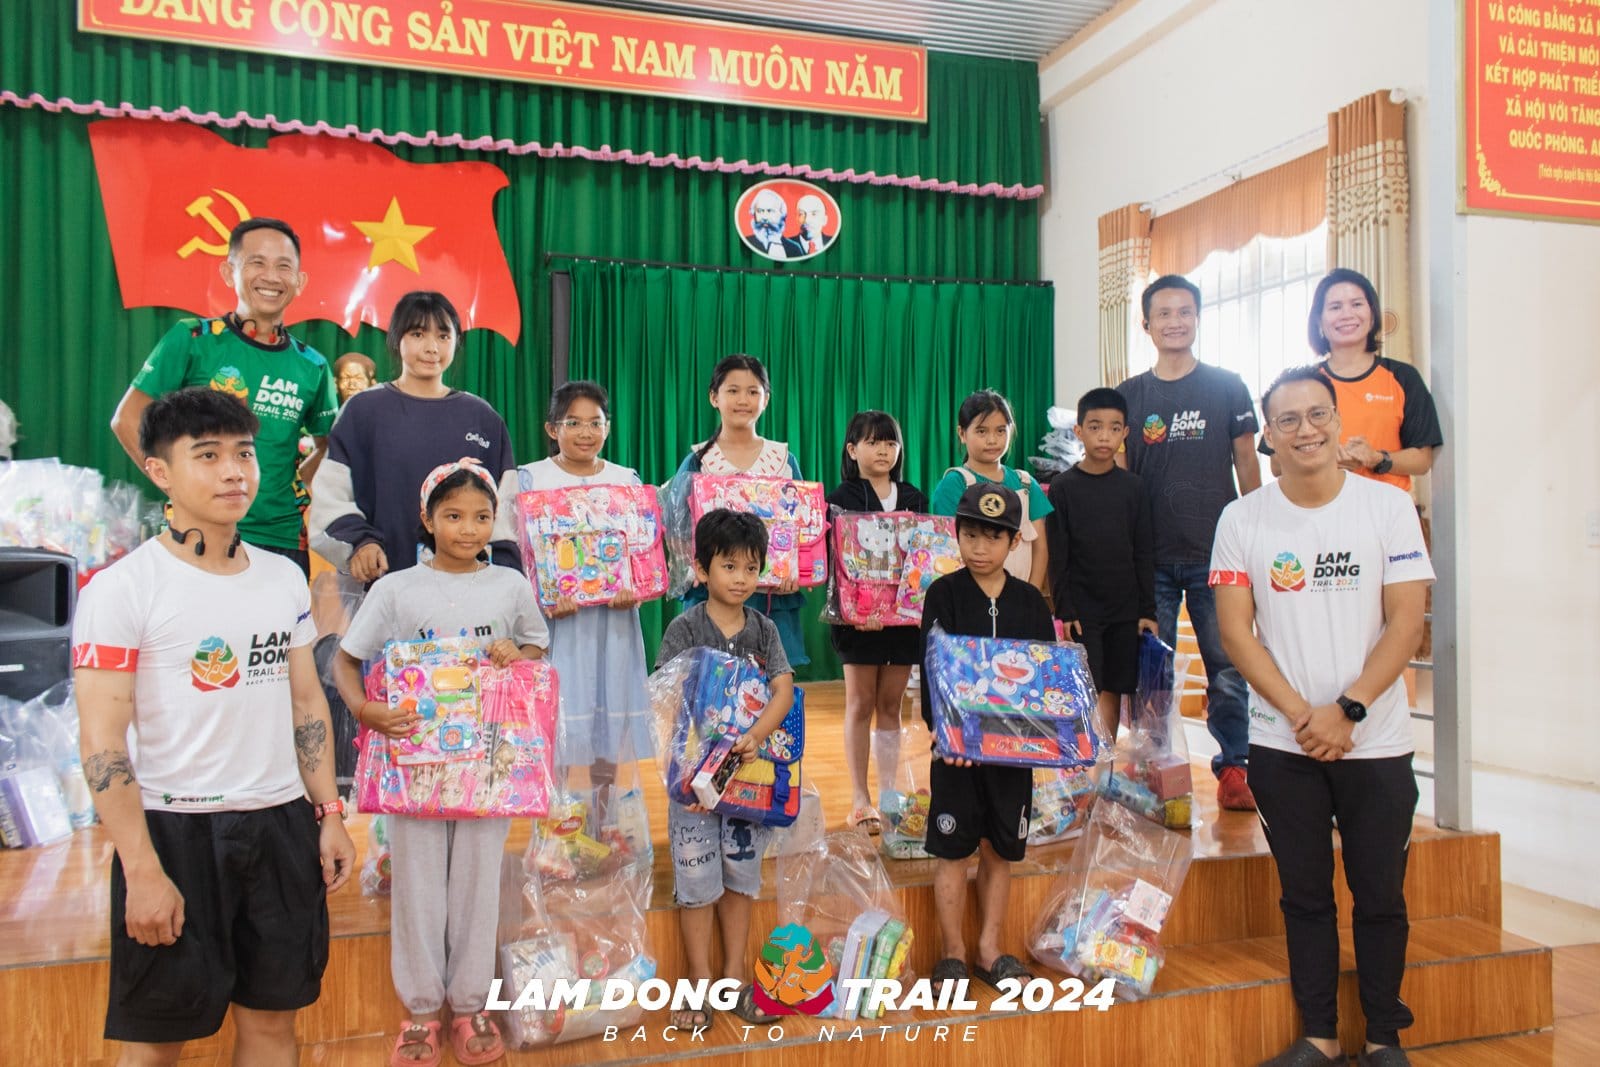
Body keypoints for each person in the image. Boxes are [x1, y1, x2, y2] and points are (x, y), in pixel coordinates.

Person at [72, 387, 355, 1065]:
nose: (233, 471)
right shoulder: (121, 588)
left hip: (280, 825)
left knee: (272, 1026)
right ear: (159, 470)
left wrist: (328, 813)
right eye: (207, 455)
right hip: (176, 831)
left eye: (244, 453)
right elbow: (102, 744)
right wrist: (142, 869)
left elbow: (306, 704)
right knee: (155, 1042)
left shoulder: (283, 578)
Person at [1211, 366, 1432, 1067]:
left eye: (1317, 414)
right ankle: (1320, 1035)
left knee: (1380, 896)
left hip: (1377, 742)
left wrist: (1349, 709)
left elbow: (1407, 621)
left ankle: (1384, 1037)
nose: (1305, 429)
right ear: (1269, 436)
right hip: (1285, 743)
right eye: (1288, 419)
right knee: (1304, 896)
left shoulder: (1387, 508)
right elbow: (1236, 632)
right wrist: (1305, 715)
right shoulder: (1242, 519)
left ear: (1337, 421)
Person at [333, 459, 549, 1067]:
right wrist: (366, 710)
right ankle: (423, 1011)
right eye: (453, 516)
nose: (468, 529)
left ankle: (472, 1003)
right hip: (416, 767)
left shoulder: (510, 586)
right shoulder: (396, 589)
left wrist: (516, 653)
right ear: (427, 519)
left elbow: (536, 645)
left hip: (488, 766)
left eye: (481, 517)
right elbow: (346, 660)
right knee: (419, 886)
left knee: (479, 883)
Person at [110, 217, 339, 577]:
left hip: (281, 538)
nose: (271, 277)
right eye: (257, 263)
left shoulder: (313, 366)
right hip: (198, 534)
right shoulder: (193, 339)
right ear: (228, 272)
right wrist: (179, 487)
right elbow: (127, 418)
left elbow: (330, 447)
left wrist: (291, 488)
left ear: (300, 281)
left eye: (284, 266)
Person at [1117, 274, 1261, 811]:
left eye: (1184, 312)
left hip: (1217, 554)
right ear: (1146, 324)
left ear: (1197, 318)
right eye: (1164, 313)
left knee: (1227, 666)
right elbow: (1123, 480)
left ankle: (1235, 766)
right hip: (1150, 558)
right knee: (1152, 672)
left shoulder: (1227, 387)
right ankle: (1152, 766)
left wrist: (1259, 533)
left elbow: (1247, 462)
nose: (1175, 322)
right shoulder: (1129, 396)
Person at [654, 509, 797, 1029]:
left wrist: (756, 736)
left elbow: (783, 689)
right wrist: (682, 771)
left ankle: (733, 979)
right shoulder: (685, 627)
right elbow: (666, 698)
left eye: (751, 568)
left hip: (749, 782)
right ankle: (697, 983)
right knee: (696, 883)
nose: (741, 578)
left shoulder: (764, 629)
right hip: (692, 785)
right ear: (701, 568)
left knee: (741, 879)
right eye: (729, 566)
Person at [920, 483, 1054, 993]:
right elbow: (933, 671)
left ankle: (989, 949)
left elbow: (1045, 679)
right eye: (970, 535)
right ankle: (952, 952)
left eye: (993, 538)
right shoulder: (944, 594)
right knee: (952, 851)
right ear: (956, 535)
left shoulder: (1030, 603)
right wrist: (945, 734)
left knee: (1002, 850)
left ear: (1015, 542)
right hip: (957, 755)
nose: (980, 548)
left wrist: (1046, 738)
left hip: (1012, 756)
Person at [309, 291, 519, 583]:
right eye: (418, 334)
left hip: (466, 588)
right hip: (382, 584)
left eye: (443, 336)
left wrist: (503, 575)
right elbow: (331, 495)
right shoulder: (362, 411)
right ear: (397, 338)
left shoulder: (482, 418)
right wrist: (361, 543)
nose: (432, 348)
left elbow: (506, 508)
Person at [512, 381, 654, 801]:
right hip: (557, 624)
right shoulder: (530, 479)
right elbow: (518, 553)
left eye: (596, 422)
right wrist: (542, 595)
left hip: (614, 622)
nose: (586, 432)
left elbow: (642, 552)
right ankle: (557, 821)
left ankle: (605, 818)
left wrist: (634, 587)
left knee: (608, 721)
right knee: (557, 716)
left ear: (608, 427)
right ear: (551, 428)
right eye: (573, 423)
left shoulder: (625, 480)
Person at [668, 354, 810, 667]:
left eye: (753, 391)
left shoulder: (784, 460)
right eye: (732, 391)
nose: (743, 400)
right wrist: (695, 570)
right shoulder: (698, 461)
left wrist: (794, 568)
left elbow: (803, 523)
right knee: (709, 682)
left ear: (766, 399)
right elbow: (676, 526)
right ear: (714, 397)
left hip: (772, 599)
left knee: (772, 682)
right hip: (712, 600)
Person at [826, 410, 927, 833]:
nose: (883, 450)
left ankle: (888, 794)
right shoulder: (842, 496)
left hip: (903, 622)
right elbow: (837, 563)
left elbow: (924, 559)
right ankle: (859, 797)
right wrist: (857, 613)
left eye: (890, 442)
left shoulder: (914, 497)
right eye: (872, 442)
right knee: (860, 703)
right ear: (852, 450)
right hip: (858, 623)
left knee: (890, 705)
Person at [1260, 268, 1443, 493]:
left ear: (1372, 314)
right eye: (1335, 307)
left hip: (1386, 507)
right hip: (1317, 505)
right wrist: (1326, 458)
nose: (1347, 314)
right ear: (1319, 320)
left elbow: (1422, 460)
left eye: (1357, 304)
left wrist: (1376, 458)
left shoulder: (1403, 377)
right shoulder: (1302, 385)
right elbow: (1276, 465)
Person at [1045, 388, 1157, 741]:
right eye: (1095, 427)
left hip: (1125, 610)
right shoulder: (1062, 487)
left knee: (1115, 687)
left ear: (1126, 433)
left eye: (1114, 428)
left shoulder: (1134, 488)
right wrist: (1065, 609)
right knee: (1085, 685)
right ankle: (1082, 758)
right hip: (1084, 610)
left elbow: (1143, 552)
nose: (1104, 436)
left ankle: (1104, 762)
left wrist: (1147, 609)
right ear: (1079, 431)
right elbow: (1058, 555)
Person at [929, 389, 1052, 593]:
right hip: (969, 598)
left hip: (1020, 598)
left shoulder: (1027, 484)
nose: (992, 440)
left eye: (1001, 431)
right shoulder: (953, 485)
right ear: (962, 434)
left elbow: (1041, 548)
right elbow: (948, 550)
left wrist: (1031, 595)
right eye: (982, 431)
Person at [743, 189, 791, 259]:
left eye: (770, 211)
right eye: (760, 211)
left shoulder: (794, 247)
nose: (765, 217)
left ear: (782, 214)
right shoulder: (746, 243)